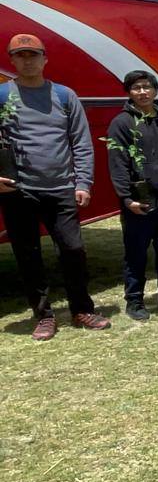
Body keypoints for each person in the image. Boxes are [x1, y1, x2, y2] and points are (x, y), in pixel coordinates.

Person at [0, 34, 107, 339]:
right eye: (20, 55)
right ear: (12, 60)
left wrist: (83, 181)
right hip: (18, 192)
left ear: (45, 59)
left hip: (61, 189)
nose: (27, 60)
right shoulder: (2, 96)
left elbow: (82, 143)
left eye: (33, 54)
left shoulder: (64, 96)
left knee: (73, 249)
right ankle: (44, 315)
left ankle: (82, 309)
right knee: (28, 254)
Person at [106, 70, 158, 320]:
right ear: (129, 92)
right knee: (136, 253)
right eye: (136, 88)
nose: (142, 92)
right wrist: (126, 197)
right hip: (139, 201)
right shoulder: (121, 123)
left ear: (155, 90)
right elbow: (118, 163)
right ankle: (135, 301)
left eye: (146, 87)